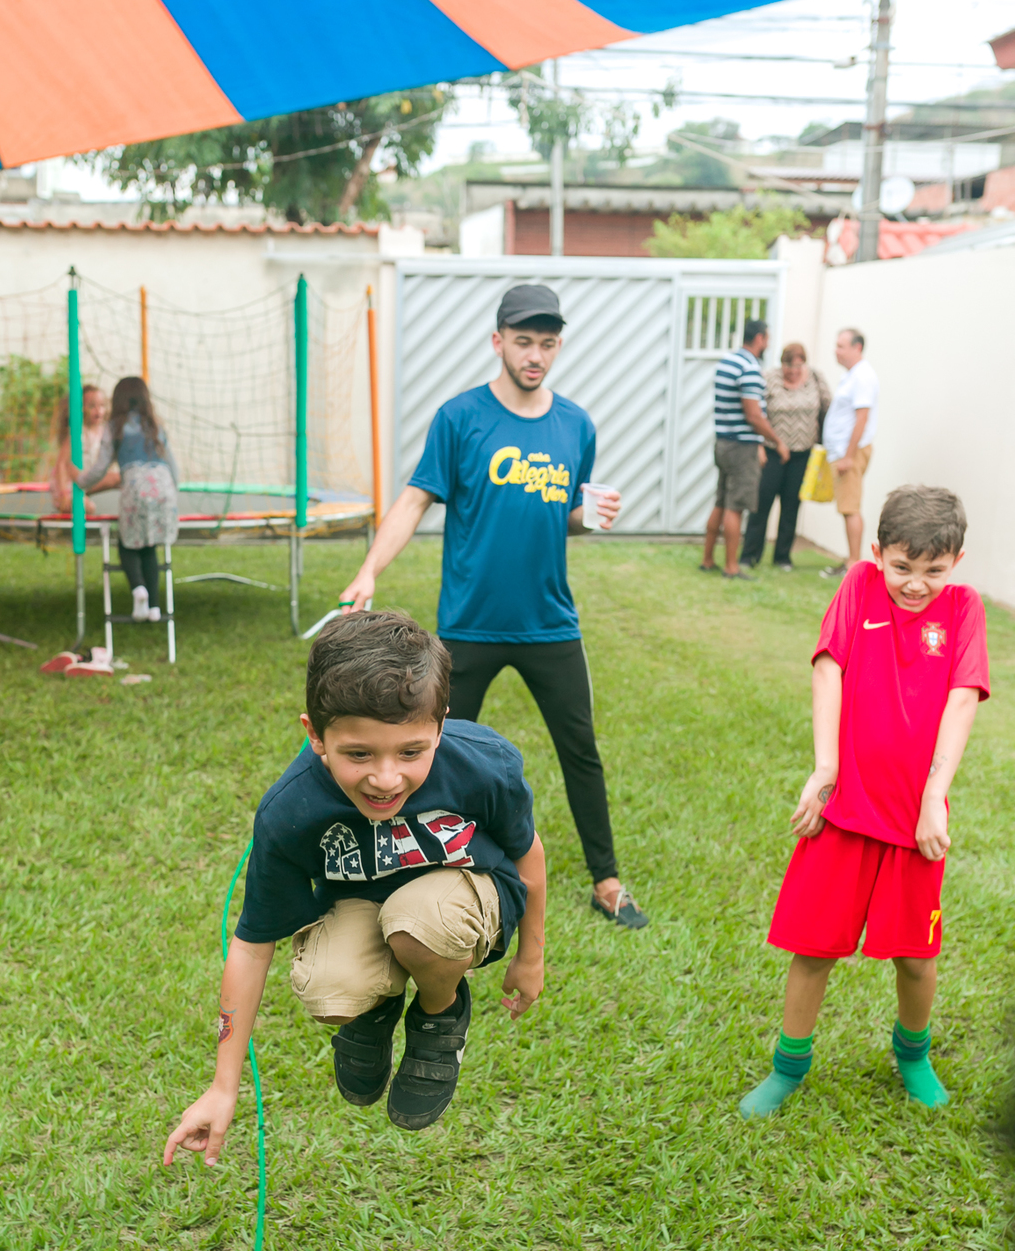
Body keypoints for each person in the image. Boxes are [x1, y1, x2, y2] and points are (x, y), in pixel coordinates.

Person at [162, 610, 547, 1162]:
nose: (386, 778)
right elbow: (251, 946)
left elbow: (527, 852)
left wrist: (530, 956)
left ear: (440, 724)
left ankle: (439, 1013)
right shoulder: (291, 810)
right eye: (358, 754)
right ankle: (376, 1007)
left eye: (411, 752)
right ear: (315, 736)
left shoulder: (485, 767)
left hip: (460, 902)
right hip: (368, 908)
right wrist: (224, 1087)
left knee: (419, 923)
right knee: (328, 985)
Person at [339, 283, 648, 931]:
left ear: (559, 346)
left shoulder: (576, 425)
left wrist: (591, 521)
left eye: (547, 343)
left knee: (580, 750)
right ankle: (409, 869)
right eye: (524, 341)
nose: (535, 355)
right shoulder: (461, 418)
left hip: (549, 622)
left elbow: (560, 517)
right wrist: (370, 568)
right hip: (469, 625)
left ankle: (608, 879)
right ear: (498, 341)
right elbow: (416, 499)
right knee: (435, 749)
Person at [739, 484, 988, 1119]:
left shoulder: (963, 609)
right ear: (877, 552)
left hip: (915, 821)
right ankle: (789, 1066)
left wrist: (935, 794)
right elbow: (829, 668)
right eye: (902, 567)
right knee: (814, 946)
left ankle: (913, 1054)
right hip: (846, 809)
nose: (914, 584)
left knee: (915, 955)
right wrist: (826, 768)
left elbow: (962, 699)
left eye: (932, 571)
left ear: (955, 561)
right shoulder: (858, 586)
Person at [70, 376, 178, 622]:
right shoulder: (155, 425)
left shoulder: (115, 427)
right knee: (150, 546)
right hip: (163, 488)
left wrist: (80, 480)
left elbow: (100, 467)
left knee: (128, 543)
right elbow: (173, 465)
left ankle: (138, 588)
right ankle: (153, 607)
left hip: (135, 489)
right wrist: (173, 494)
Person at [701, 318, 788, 579]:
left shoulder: (728, 361)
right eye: (768, 338)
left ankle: (707, 559)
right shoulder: (750, 368)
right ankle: (731, 566)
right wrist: (777, 441)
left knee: (721, 500)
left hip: (724, 442)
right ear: (760, 338)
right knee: (735, 506)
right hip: (741, 447)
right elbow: (754, 415)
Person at [740, 343, 830, 571]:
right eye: (789, 365)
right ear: (782, 364)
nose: (794, 371)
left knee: (791, 506)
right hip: (772, 452)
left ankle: (782, 557)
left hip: (803, 453)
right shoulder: (769, 379)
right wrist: (759, 445)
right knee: (761, 504)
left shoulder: (816, 379)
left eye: (799, 365)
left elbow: (828, 409)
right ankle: (750, 555)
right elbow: (755, 412)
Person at [820, 327, 880, 581]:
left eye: (842, 346)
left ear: (857, 348)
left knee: (850, 506)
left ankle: (853, 564)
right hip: (844, 452)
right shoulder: (853, 375)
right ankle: (850, 560)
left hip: (850, 454)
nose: (836, 350)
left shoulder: (863, 377)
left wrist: (848, 455)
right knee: (847, 507)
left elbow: (862, 418)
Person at [49, 384, 118, 515]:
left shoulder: (104, 431)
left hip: (86, 480)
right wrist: (63, 493)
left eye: (101, 406)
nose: (98, 411)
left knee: (118, 478)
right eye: (92, 406)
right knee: (88, 508)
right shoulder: (77, 433)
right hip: (67, 484)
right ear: (80, 409)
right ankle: (69, 509)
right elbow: (62, 465)